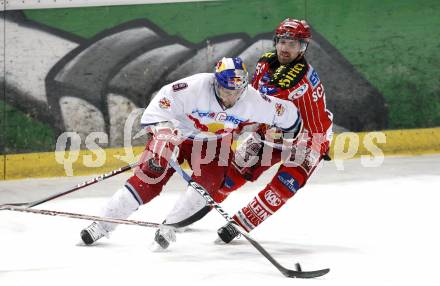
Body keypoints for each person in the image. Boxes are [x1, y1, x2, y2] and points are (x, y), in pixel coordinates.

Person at [79, 57, 302, 249]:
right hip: (179, 134)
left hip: (215, 144)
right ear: (216, 82)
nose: (231, 97)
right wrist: (162, 137)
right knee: (149, 176)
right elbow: (156, 112)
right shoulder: (191, 88)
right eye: (226, 90)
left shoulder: (253, 100)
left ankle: (171, 226)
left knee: (208, 185)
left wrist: (291, 136)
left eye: (237, 91)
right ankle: (101, 224)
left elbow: (290, 116)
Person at [158, 18, 333, 246]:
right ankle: (179, 219)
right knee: (226, 178)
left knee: (283, 186)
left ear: (303, 48)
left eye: (293, 44)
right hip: (269, 135)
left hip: (309, 140)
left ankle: (239, 224)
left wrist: (225, 125)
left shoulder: (297, 82)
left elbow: (259, 111)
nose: (285, 48)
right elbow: (245, 100)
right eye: (282, 41)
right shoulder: (265, 63)